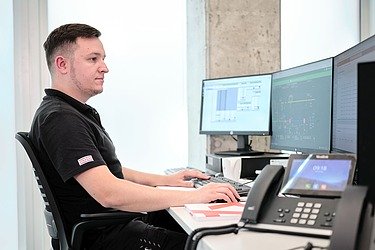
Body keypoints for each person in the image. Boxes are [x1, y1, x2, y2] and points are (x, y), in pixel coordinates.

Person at [29, 23, 240, 250]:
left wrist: (166, 181)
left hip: (111, 228)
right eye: (93, 59)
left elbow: (104, 171)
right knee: (211, 243)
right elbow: (108, 192)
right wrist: (196, 196)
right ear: (62, 64)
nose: (104, 67)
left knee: (201, 227)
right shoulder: (61, 119)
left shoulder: (69, 112)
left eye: (103, 58)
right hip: (106, 238)